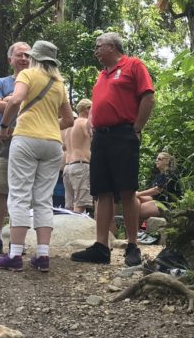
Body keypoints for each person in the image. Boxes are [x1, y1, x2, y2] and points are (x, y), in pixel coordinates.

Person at [71, 32, 154, 267]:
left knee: (127, 190)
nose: (96, 51)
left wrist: (136, 128)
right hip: (101, 139)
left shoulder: (133, 65)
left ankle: (132, 245)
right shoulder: (101, 75)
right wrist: (92, 123)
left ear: (111, 46)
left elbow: (148, 97)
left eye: (98, 47)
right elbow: (98, 104)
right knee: (102, 192)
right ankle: (101, 246)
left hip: (123, 134)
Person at [0, 40, 75, 273]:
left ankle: (15, 255)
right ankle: (42, 256)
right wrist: (49, 125)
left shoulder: (27, 75)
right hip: (52, 144)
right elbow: (69, 120)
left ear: (34, 57)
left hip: (26, 139)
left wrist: (5, 127)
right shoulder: (59, 84)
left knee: (19, 195)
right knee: (43, 199)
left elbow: (16, 100)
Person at [0, 41, 32, 257]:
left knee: (21, 192)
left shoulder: (35, 82)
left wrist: (10, 101)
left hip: (29, 140)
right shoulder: (2, 82)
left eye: (28, 56)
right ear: (10, 59)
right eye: (20, 55)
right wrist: (18, 103)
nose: (24, 59)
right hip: (3, 143)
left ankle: (16, 240)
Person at [63, 98, 93, 213]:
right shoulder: (85, 123)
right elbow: (92, 137)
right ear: (87, 109)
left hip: (67, 167)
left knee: (70, 206)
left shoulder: (69, 127)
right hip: (81, 165)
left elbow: (64, 147)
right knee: (80, 204)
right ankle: (76, 230)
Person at [136, 151, 182, 221]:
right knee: (135, 200)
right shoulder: (160, 175)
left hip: (167, 204)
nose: (156, 161)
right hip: (158, 200)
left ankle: (141, 228)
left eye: (160, 159)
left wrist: (138, 194)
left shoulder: (169, 174)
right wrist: (137, 195)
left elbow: (157, 190)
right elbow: (153, 195)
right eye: (157, 159)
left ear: (167, 161)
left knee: (137, 210)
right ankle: (141, 228)